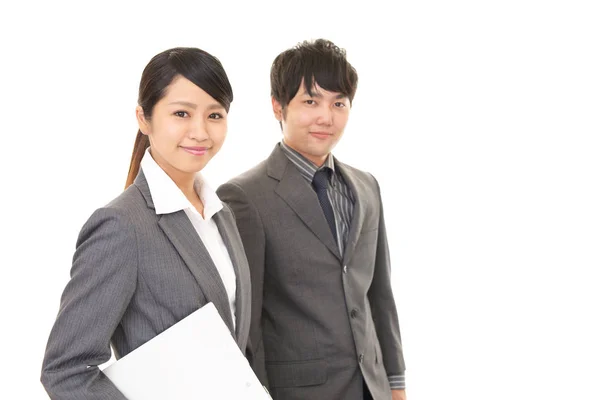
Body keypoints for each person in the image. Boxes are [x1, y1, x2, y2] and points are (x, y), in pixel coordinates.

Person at [41, 47, 251, 399]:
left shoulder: (222, 213)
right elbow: (65, 369)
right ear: (144, 118)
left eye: (215, 115)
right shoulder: (121, 225)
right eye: (181, 113)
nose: (200, 132)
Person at [217, 39, 407, 400]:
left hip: (373, 387)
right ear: (278, 106)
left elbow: (380, 295)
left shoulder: (367, 186)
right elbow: (247, 322)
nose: (326, 117)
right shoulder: (244, 196)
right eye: (310, 101)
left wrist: (395, 384)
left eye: (339, 103)